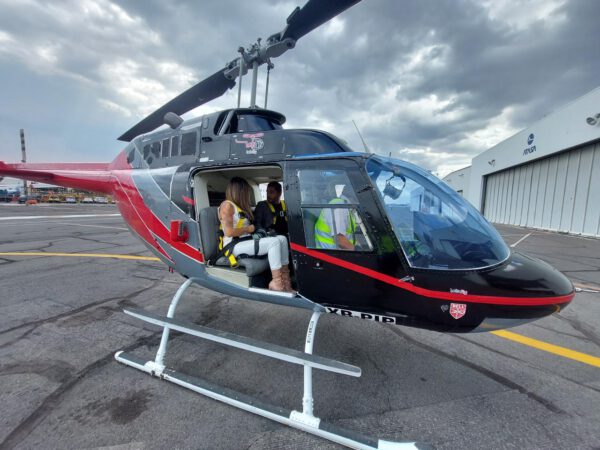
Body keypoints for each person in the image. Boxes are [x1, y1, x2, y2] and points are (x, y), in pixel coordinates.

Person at [218, 177, 294, 292]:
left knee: (282, 239)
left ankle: (286, 283)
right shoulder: (227, 206)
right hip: (233, 245)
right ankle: (276, 283)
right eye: (246, 192)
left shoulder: (239, 207)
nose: (248, 195)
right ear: (240, 192)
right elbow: (228, 232)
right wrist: (248, 228)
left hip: (244, 241)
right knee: (274, 242)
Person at [314, 185, 356, 250]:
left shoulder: (346, 206)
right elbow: (339, 239)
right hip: (332, 254)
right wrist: (358, 250)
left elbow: (350, 235)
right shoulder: (339, 207)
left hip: (340, 251)